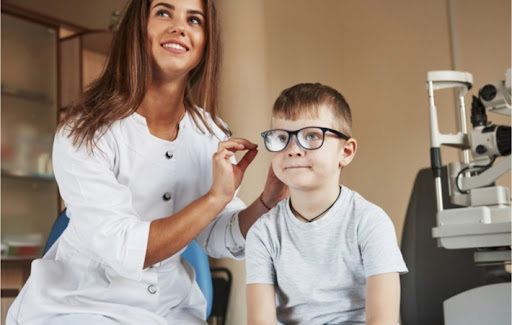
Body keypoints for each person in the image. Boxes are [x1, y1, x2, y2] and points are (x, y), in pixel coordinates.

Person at [7, 0, 286, 324]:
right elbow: (125, 248)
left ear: (205, 42)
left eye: (194, 19)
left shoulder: (210, 132)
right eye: (164, 12)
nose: (179, 27)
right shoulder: (83, 132)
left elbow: (218, 232)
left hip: (171, 310)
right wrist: (215, 198)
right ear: (138, 28)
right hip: (81, 307)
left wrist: (267, 202)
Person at [246, 83, 408, 325]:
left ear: (346, 151)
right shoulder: (263, 233)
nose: (293, 150)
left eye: (311, 136)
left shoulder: (371, 222)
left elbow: (383, 321)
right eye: (281, 137)